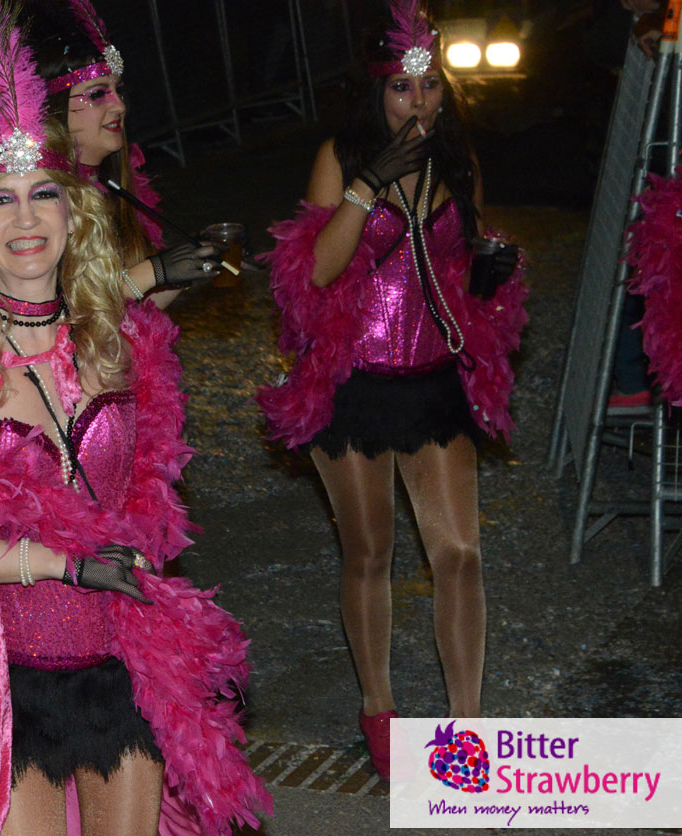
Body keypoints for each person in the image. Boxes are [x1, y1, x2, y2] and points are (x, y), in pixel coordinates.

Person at [0, 3, 268, 833]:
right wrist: (62, 566)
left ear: (75, 216)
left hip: (122, 666)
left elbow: (145, 504)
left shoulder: (117, 342)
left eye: (43, 196)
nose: (26, 219)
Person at [257, 0, 527, 781]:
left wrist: (486, 275)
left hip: (431, 380)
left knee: (460, 554)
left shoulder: (458, 158)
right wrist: (367, 186)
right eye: (404, 89)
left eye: (431, 86)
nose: (420, 103)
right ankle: (377, 705)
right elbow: (311, 274)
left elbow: (458, 266)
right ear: (376, 89)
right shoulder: (339, 156)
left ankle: (465, 728)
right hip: (350, 385)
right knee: (368, 552)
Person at [29, 0, 221, 309]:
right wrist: (154, 271)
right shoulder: (36, 199)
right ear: (54, 108)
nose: (119, 106)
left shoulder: (111, 184)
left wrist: (193, 262)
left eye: (118, 91)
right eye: (97, 94)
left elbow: (136, 315)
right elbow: (57, 312)